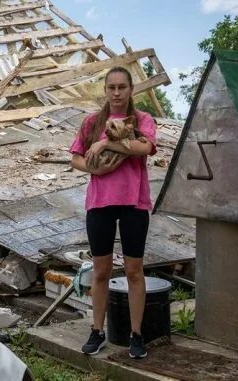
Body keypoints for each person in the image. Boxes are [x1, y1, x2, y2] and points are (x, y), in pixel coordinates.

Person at [69, 66, 157, 359]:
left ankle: (136, 334)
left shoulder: (142, 120)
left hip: (134, 203)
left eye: (122, 87)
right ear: (105, 90)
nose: (117, 92)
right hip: (100, 203)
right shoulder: (92, 122)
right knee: (101, 271)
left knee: (134, 271)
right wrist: (94, 167)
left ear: (131, 89)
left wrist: (107, 141)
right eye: (112, 87)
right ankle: (97, 330)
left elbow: (144, 148)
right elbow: (76, 159)